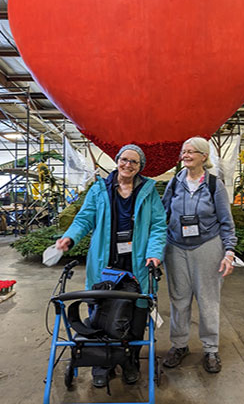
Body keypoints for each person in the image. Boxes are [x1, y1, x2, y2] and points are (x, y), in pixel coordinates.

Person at [56, 144, 166, 388]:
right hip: (105, 265)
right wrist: (70, 237)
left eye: (134, 162)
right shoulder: (99, 189)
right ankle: (102, 363)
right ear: (116, 160)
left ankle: (130, 362)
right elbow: (84, 219)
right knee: (101, 316)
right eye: (124, 159)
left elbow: (159, 225)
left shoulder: (149, 191)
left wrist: (155, 253)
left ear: (140, 167)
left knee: (136, 317)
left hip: (137, 264)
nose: (128, 165)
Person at [161, 136, 237, 374]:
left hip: (207, 246)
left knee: (208, 300)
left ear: (204, 156)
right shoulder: (174, 182)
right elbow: (161, 216)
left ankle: (211, 349)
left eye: (191, 151)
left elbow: (226, 222)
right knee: (179, 300)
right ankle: (179, 345)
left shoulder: (215, 185)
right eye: (184, 151)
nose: (185, 155)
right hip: (176, 248)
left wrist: (229, 252)